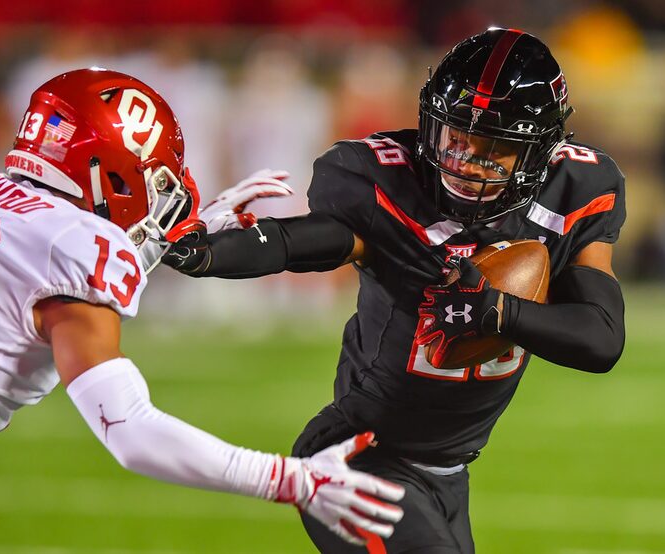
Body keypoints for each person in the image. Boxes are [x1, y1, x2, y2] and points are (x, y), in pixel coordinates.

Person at [165, 28, 626, 553]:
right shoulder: (386, 181)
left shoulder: (577, 191)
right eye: (455, 136)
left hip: (448, 475)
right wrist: (208, 254)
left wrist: (497, 312)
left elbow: (601, 339)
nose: (464, 159)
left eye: (492, 148)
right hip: (358, 456)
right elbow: (304, 241)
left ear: (541, 151)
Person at [0, 68, 405, 553]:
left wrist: (174, 236)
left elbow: (29, 257)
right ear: (108, 170)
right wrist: (295, 480)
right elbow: (129, 429)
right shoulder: (75, 251)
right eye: (155, 178)